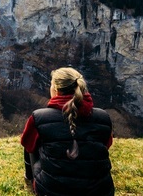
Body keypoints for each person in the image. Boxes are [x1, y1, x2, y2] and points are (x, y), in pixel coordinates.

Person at [20, 67, 115, 195]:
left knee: (31, 143)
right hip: (99, 191)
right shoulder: (103, 117)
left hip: (52, 191)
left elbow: (27, 143)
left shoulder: (39, 117)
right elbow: (106, 145)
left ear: (56, 90)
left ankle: (29, 180)